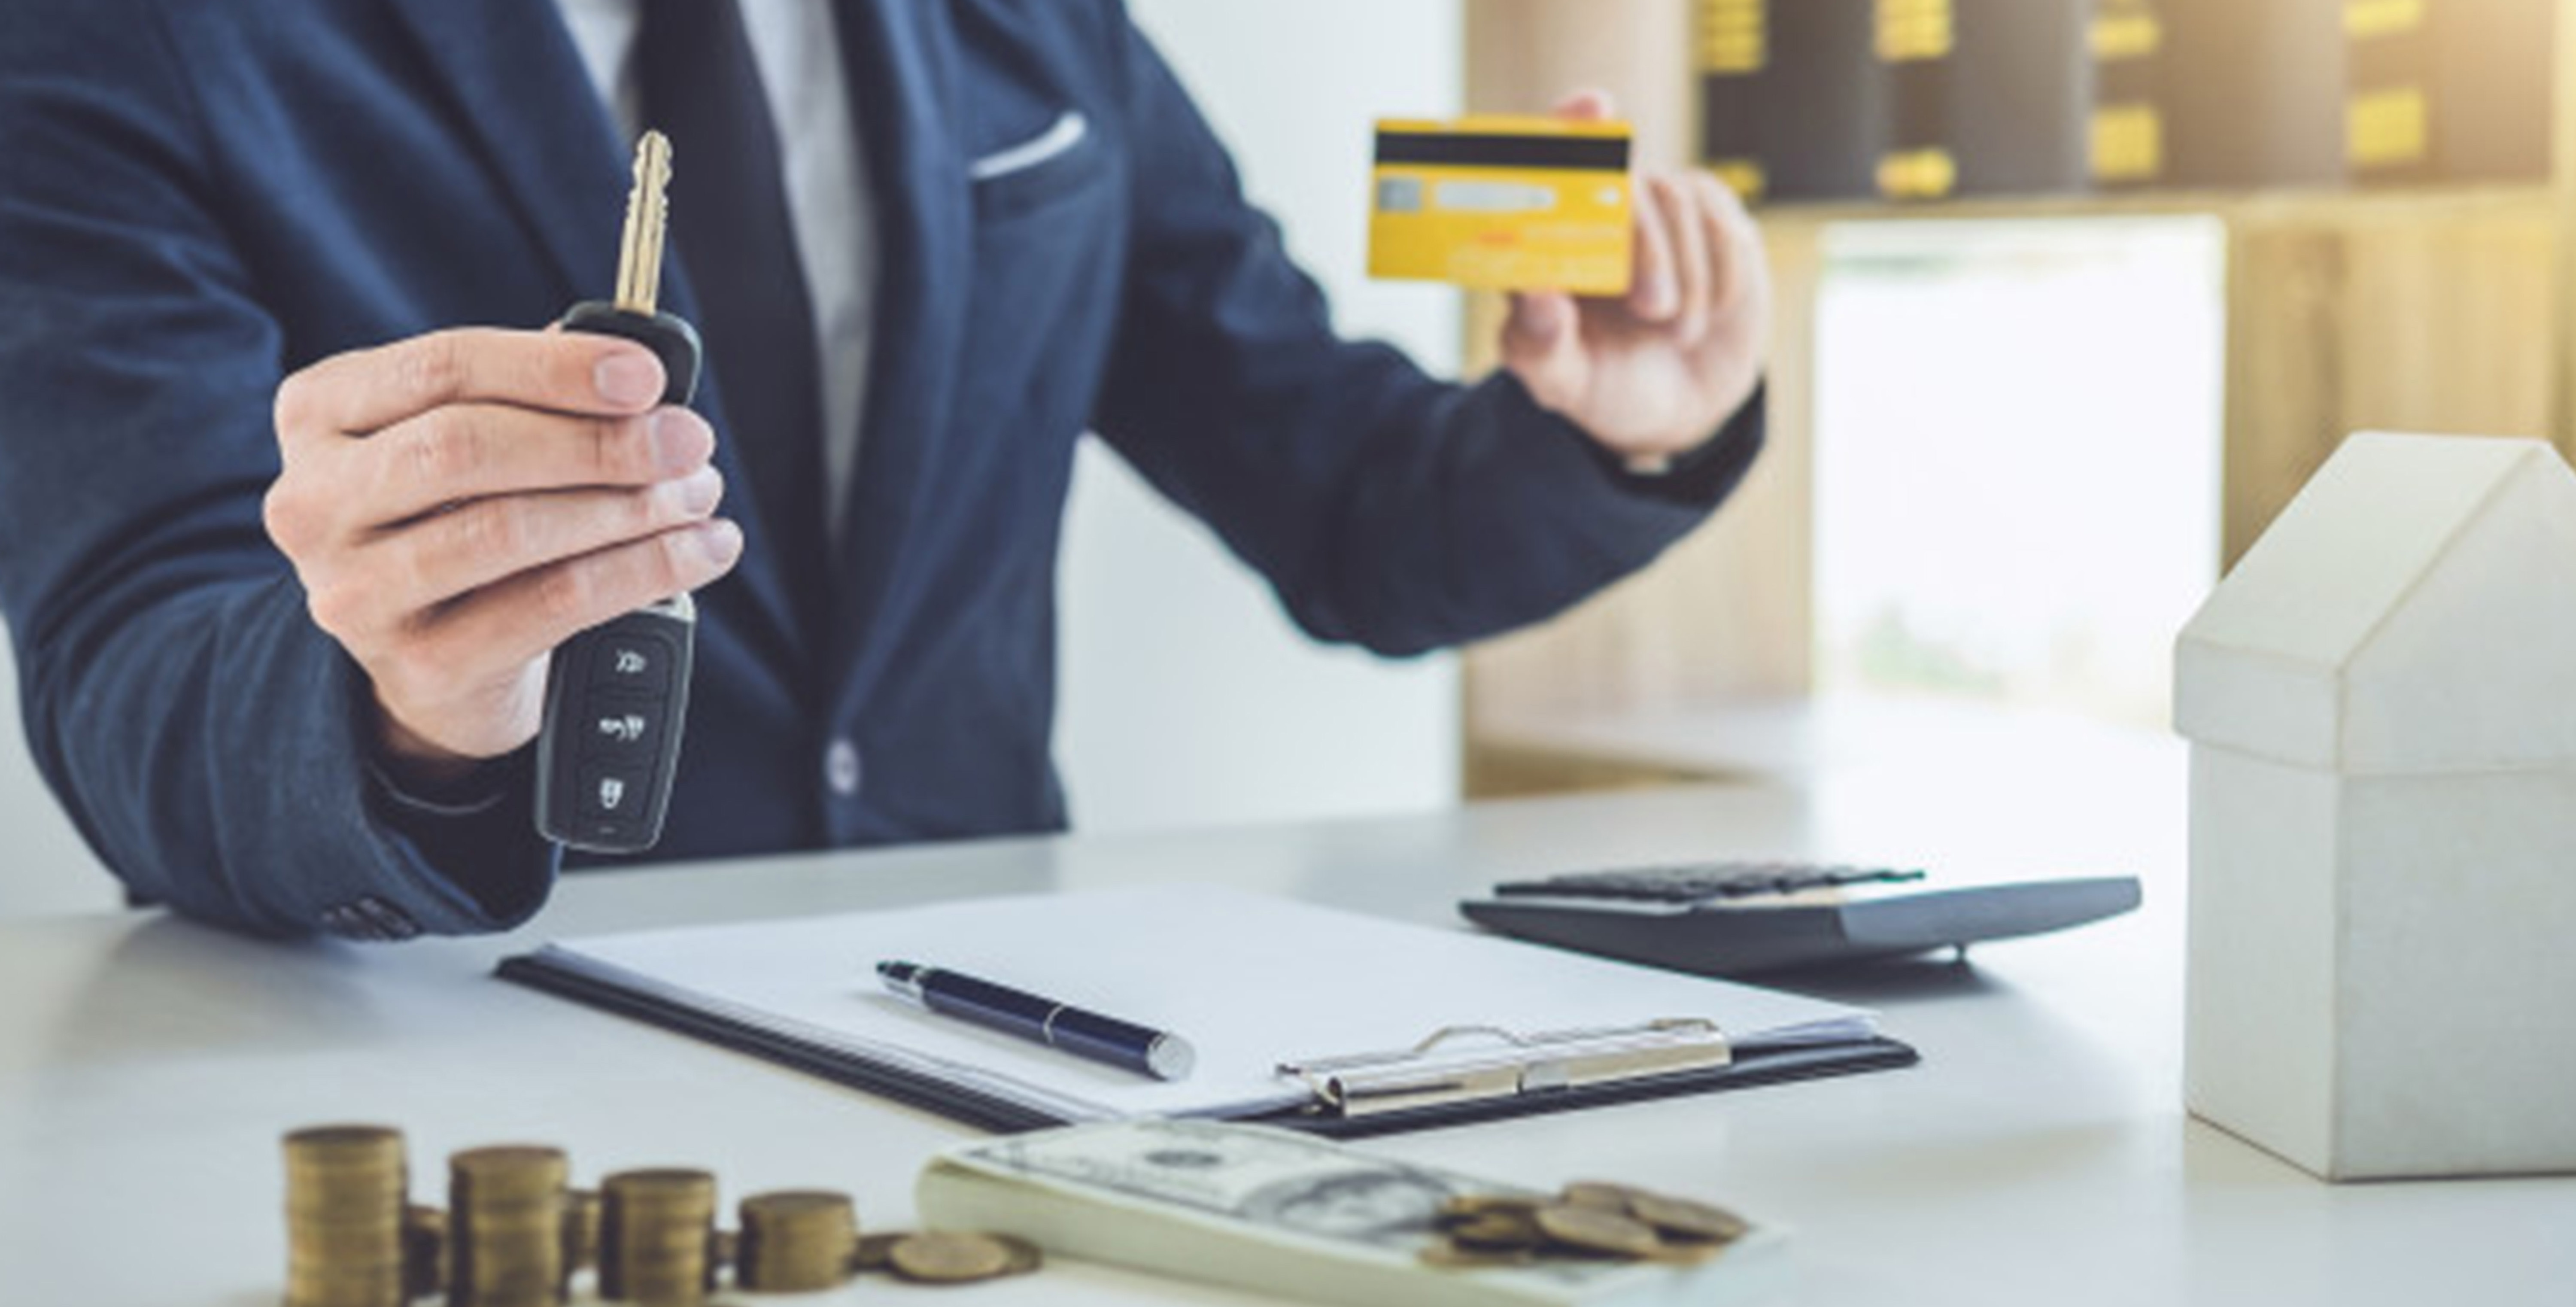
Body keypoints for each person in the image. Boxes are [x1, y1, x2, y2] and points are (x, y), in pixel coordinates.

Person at [0, 0, 1771, 942]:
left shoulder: (1038, 25)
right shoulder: (127, 28)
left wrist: (1615, 426)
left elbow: (1345, 503)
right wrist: (395, 706)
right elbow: (125, 643)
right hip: (454, 1045)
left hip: (997, 1031)